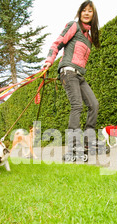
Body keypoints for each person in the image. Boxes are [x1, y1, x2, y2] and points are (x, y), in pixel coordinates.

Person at [43, 1, 101, 161]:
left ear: (93, 15)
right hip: (68, 72)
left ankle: (88, 142)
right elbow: (57, 43)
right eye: (84, 10)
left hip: (79, 75)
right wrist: (49, 61)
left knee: (94, 105)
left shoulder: (89, 37)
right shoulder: (73, 25)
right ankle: (74, 148)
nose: (87, 13)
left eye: (90, 11)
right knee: (77, 106)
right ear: (80, 12)